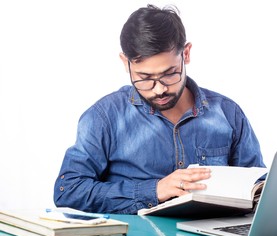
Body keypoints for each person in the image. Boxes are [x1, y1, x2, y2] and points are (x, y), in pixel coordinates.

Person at [54, 4, 265, 214]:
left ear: (187, 54)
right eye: (144, 78)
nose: (159, 89)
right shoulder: (104, 117)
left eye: (169, 73)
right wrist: (154, 190)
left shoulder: (228, 113)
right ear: (125, 63)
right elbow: (68, 190)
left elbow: (257, 187)